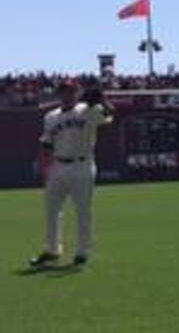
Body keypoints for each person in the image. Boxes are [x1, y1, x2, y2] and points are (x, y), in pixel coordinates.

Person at [30, 82, 115, 268]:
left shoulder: (87, 110)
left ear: (77, 93)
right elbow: (47, 144)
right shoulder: (51, 117)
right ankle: (52, 251)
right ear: (59, 94)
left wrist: (102, 101)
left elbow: (109, 116)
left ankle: (82, 253)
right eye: (64, 92)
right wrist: (44, 166)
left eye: (71, 91)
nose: (67, 95)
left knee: (83, 211)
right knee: (52, 211)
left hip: (82, 164)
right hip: (58, 165)